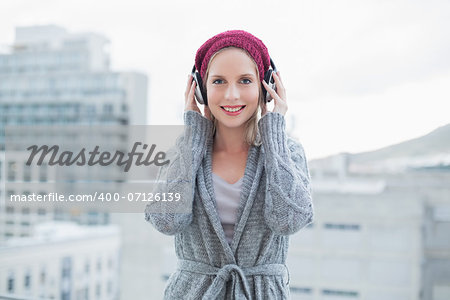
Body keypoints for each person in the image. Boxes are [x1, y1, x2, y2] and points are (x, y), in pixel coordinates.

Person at [145, 30, 314, 300]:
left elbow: (289, 221)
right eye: (219, 81)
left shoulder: (286, 151)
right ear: (200, 89)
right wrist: (193, 138)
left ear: (266, 86)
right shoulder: (182, 151)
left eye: (245, 80)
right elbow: (166, 221)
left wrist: (275, 133)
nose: (232, 94)